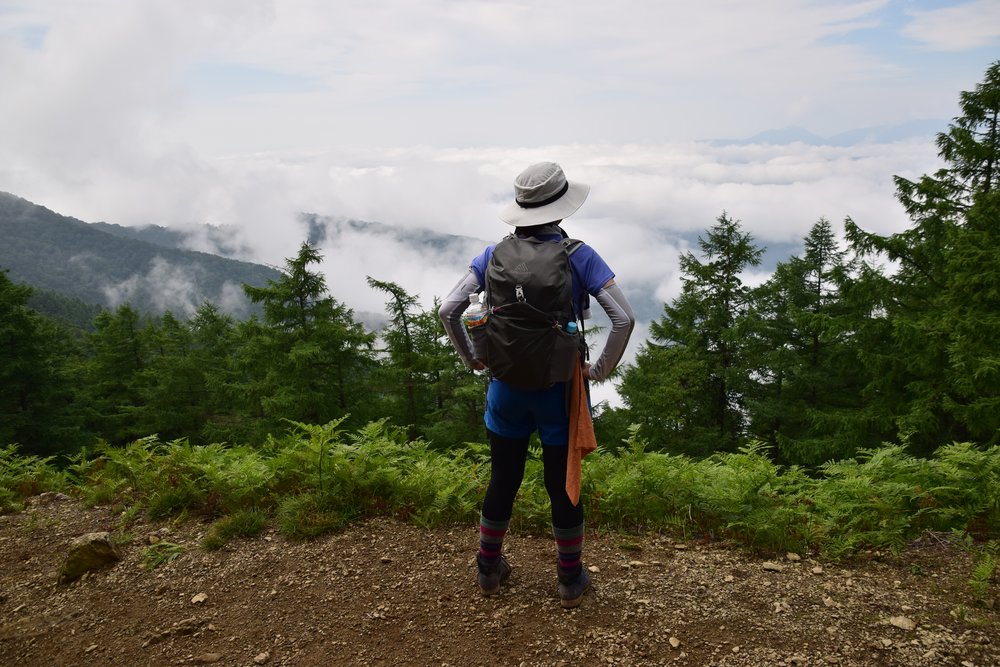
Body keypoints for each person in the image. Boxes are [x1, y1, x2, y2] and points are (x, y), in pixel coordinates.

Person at [439, 161, 635, 609]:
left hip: (504, 388)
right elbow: (623, 318)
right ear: (561, 209)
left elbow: (450, 309)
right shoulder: (579, 256)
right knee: (562, 484)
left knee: (503, 479)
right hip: (559, 391)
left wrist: (473, 358)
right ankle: (569, 579)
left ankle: (488, 570)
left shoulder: (492, 255)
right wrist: (599, 370)